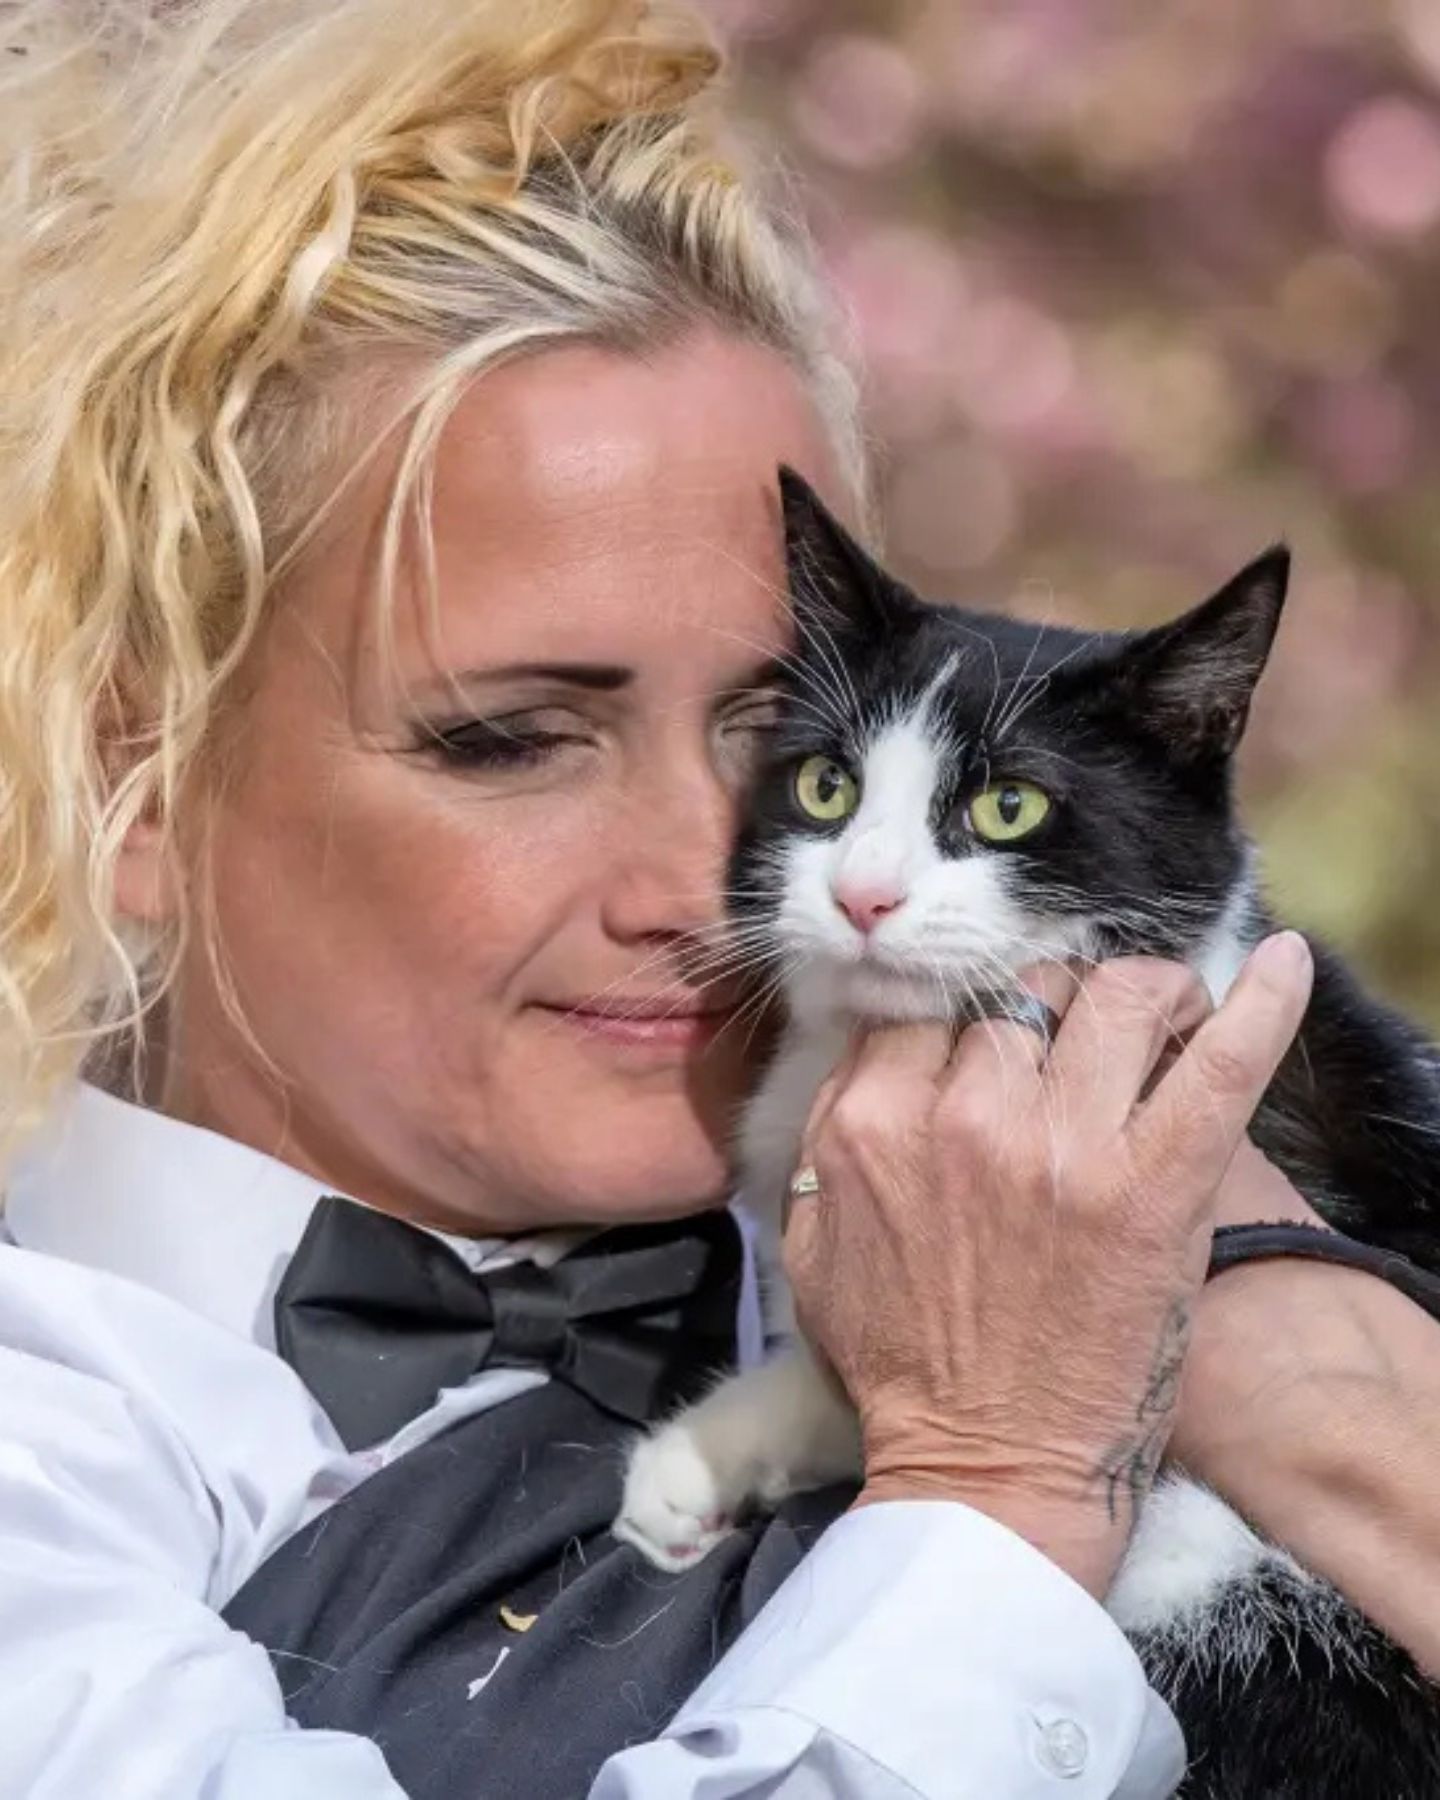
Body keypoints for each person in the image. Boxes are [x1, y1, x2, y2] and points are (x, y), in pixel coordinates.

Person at [1, 2, 1438, 1796]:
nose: (714, 875)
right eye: (514, 738)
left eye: (780, 739)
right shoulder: (42, 1460)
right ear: (133, 781)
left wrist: (1331, 1388)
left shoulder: (1072, 1213)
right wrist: (997, 1477)